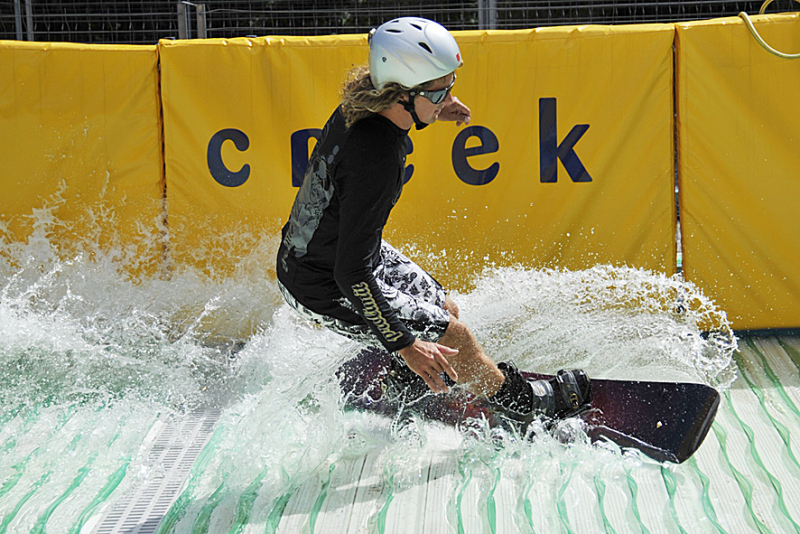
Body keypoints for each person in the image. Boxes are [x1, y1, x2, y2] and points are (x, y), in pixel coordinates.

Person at [276, 17, 590, 424]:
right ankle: (522, 408)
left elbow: (354, 256)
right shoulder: (377, 159)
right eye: (439, 90)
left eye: (450, 84)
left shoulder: (364, 104)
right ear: (401, 94)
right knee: (456, 336)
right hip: (320, 283)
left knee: (445, 309)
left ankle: (407, 384)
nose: (447, 96)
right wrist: (404, 344)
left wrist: (436, 107)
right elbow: (350, 274)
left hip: (331, 253)